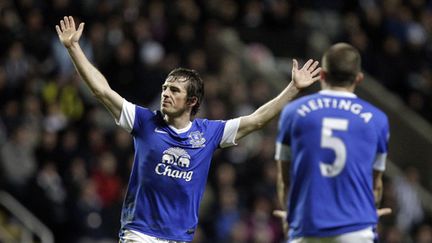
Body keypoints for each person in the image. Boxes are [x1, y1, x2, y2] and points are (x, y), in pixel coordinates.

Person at [55, 16, 321, 242]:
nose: (165, 94)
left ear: (192, 101)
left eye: (174, 90)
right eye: (164, 88)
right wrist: (73, 48)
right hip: (140, 235)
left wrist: (293, 88)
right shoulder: (145, 122)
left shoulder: (209, 133)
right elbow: (102, 91)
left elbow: (257, 119)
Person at [274, 43, 391, 243]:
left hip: (307, 227)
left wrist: (290, 217)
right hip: (357, 229)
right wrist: (368, 214)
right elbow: (376, 185)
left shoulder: (293, 113)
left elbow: (285, 179)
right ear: (359, 78)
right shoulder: (377, 119)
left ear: (322, 75)